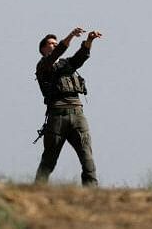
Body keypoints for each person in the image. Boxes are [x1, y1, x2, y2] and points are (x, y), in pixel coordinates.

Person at [34, 27, 102, 186]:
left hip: (78, 114)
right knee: (49, 160)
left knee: (87, 158)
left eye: (55, 43)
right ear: (43, 49)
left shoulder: (67, 64)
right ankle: (37, 190)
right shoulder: (43, 65)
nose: (53, 45)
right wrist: (71, 35)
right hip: (57, 116)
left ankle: (91, 192)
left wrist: (89, 40)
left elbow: (81, 57)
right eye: (50, 43)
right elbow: (57, 53)